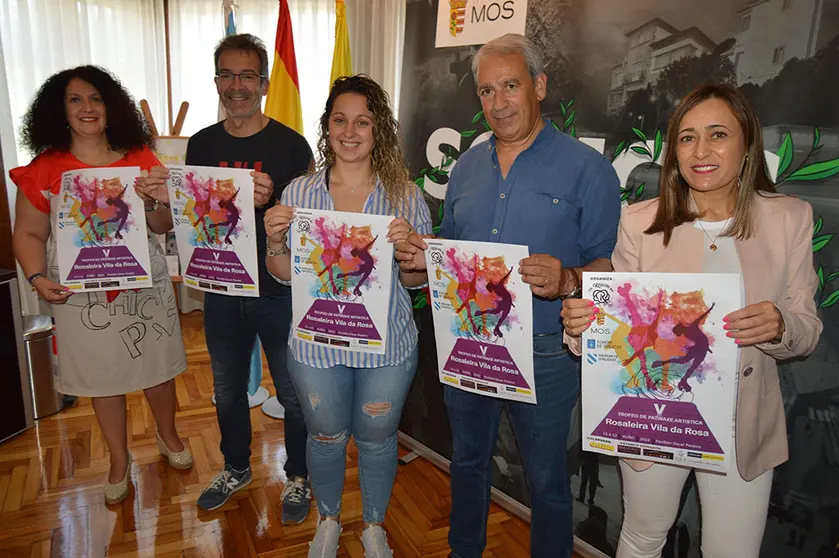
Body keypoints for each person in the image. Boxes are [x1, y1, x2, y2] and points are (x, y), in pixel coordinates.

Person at [561, 83, 823, 558]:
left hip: (744, 421)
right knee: (642, 536)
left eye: (717, 134)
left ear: (747, 144)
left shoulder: (789, 219)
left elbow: (807, 327)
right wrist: (580, 326)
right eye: (686, 137)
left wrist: (782, 325)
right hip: (658, 415)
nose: (701, 151)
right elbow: (611, 328)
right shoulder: (639, 222)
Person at [394, 33, 621, 558]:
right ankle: (463, 549)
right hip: (471, 340)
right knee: (468, 463)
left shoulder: (589, 170)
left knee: (546, 483)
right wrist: (426, 256)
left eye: (511, 86)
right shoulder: (466, 168)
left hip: (546, 353)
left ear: (538, 86)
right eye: (487, 91)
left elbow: (609, 271)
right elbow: (451, 247)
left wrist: (568, 279)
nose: (498, 103)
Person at [264, 74, 432, 558]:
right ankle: (330, 520)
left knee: (378, 438)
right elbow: (281, 275)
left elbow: (416, 284)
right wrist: (276, 238)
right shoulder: (299, 193)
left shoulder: (405, 197)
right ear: (327, 126)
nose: (351, 131)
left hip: (387, 347)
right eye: (340, 119)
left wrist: (411, 255)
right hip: (317, 347)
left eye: (363, 121)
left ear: (378, 130)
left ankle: (374, 525)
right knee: (325, 434)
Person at [10, 65, 192, 506]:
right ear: (62, 110)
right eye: (76, 100)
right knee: (101, 379)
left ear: (111, 107)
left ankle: (168, 435)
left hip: (143, 286)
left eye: (96, 99)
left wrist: (155, 200)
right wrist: (37, 278)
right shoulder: (45, 168)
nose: (87, 108)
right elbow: (29, 233)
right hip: (79, 295)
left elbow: (164, 224)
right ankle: (117, 458)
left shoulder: (140, 157)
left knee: (159, 371)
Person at [155, 33, 314, 517]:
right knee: (226, 388)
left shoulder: (292, 145)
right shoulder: (200, 143)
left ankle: (300, 476)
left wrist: (277, 202)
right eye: (228, 74)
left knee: (292, 390)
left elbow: (311, 224)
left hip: (278, 290)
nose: (237, 85)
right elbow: (185, 219)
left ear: (264, 82)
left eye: (247, 75)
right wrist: (161, 197)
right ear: (217, 81)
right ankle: (236, 466)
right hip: (221, 289)